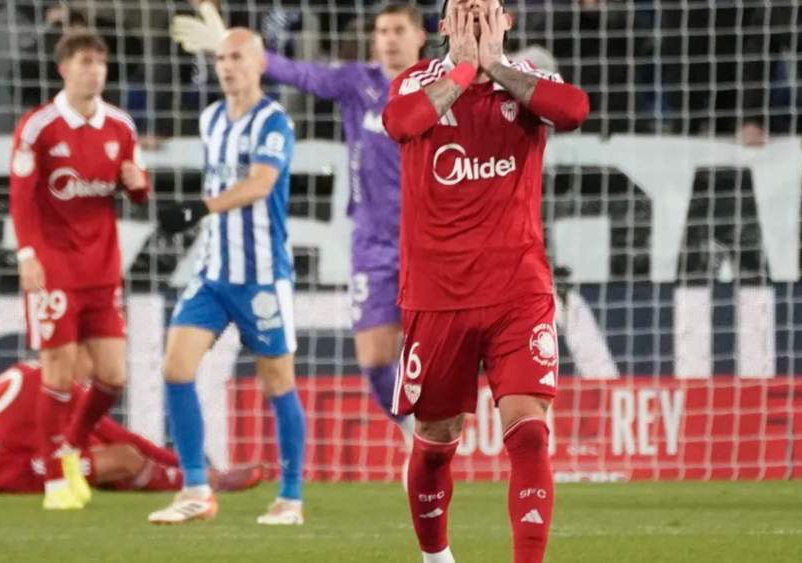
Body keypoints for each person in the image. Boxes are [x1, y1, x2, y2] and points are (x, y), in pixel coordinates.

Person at [170, 0, 427, 463]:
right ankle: (413, 431)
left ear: (420, 36)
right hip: (372, 241)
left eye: (398, 30)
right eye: (382, 31)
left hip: (431, 242)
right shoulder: (359, 82)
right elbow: (302, 74)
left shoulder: (438, 87)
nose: (389, 39)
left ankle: (449, 428)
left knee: (441, 351)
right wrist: (242, 49)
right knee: (374, 360)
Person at [381, 1, 588, 562]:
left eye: (486, 8)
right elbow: (401, 124)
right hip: (436, 295)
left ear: (505, 22)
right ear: (444, 26)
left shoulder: (528, 81)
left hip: (517, 291)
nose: (474, 16)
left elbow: (574, 109)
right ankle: (436, 558)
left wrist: (494, 67)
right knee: (435, 440)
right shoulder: (416, 81)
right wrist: (466, 69)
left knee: (529, 430)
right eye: (463, 9)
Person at [149, 28, 306, 526]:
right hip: (214, 273)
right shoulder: (211, 118)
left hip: (262, 277)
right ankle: (196, 488)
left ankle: (290, 498)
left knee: (278, 382)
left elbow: (260, 184)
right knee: (175, 368)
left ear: (259, 64)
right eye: (220, 58)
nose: (226, 66)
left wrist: (200, 208)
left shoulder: (274, 122)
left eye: (236, 57)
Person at [8, 30, 150, 510]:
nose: (95, 71)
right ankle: (54, 482)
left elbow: (138, 188)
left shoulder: (121, 126)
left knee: (113, 376)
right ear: (64, 68)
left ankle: (70, 444)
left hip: (103, 270)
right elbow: (22, 197)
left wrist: (139, 183)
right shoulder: (39, 127)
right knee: (59, 373)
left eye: (101, 63)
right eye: (86, 62)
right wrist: (28, 255)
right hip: (54, 269)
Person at [0, 358, 262, 495]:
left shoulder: (33, 369)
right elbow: (123, 439)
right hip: (10, 475)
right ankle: (205, 482)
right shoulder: (61, 384)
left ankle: (192, 479)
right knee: (123, 458)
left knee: (96, 449)